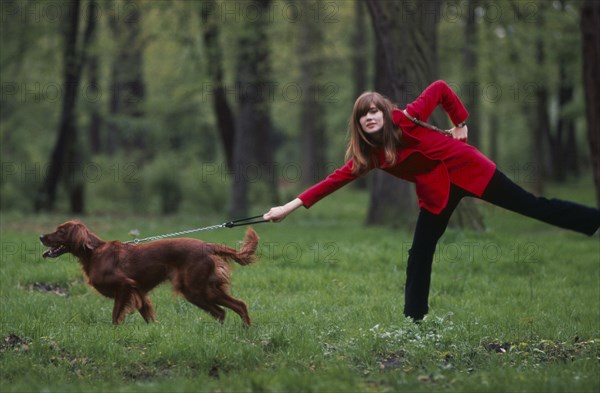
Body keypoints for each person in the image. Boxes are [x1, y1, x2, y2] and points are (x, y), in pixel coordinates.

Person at [262, 80, 600, 321]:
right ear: (360, 125)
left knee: (532, 205)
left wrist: (460, 121)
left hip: (469, 170)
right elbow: (330, 182)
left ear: (384, 112)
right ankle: (414, 320)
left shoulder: (406, 118)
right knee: (420, 251)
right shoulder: (371, 156)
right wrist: (286, 208)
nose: (369, 116)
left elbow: (439, 88)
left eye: (374, 110)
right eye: (363, 115)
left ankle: (593, 219)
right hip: (437, 193)